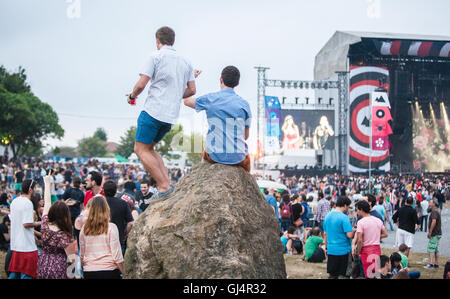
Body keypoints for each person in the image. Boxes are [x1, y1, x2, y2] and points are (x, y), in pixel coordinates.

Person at [128, 26, 198, 200]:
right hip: (170, 116)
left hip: (153, 111)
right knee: (149, 148)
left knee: (140, 149)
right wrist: (174, 95)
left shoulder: (155, 56)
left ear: (158, 41)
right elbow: (192, 90)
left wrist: (131, 96)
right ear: (173, 40)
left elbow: (141, 84)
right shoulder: (186, 61)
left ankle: (164, 186)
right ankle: (167, 183)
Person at [183, 65, 252, 173]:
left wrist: (190, 79)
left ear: (221, 79)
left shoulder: (210, 99)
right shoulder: (245, 105)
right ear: (237, 83)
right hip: (238, 158)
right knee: (247, 162)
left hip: (214, 156)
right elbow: (245, 136)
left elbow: (186, 100)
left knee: (205, 152)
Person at [38, 171, 75, 279]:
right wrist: (75, 274)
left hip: (43, 263)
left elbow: (47, 202)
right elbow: (72, 259)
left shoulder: (44, 223)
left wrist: (47, 183)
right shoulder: (63, 235)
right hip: (59, 268)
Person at [79, 195, 124, 279]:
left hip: (89, 271)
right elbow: (117, 256)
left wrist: (83, 269)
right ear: (106, 209)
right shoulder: (111, 227)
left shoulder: (84, 229)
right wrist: (125, 272)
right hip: (109, 270)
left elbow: (82, 254)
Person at [8, 179, 40, 279]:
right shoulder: (28, 203)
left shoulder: (15, 201)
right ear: (30, 190)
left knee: (15, 273)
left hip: (16, 244)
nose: (36, 190)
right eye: (35, 188)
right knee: (27, 274)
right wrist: (39, 222)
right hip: (27, 246)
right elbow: (26, 224)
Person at [355, 200, 388, 279]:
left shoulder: (361, 222)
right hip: (376, 248)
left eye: (357, 210)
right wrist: (376, 236)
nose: (357, 212)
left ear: (361, 209)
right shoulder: (378, 220)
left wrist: (358, 252)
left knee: (366, 273)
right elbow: (385, 234)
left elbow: (359, 240)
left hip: (366, 250)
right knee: (376, 273)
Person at [323, 196, 354, 279]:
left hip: (331, 250)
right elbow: (349, 235)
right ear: (345, 205)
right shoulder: (344, 217)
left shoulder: (327, 216)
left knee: (332, 274)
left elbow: (325, 234)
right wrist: (355, 231)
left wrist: (326, 248)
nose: (348, 209)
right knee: (344, 274)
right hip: (343, 250)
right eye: (348, 207)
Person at [103, 180, 134, 255]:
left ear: (103, 190)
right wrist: (124, 234)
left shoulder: (98, 202)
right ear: (116, 191)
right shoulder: (123, 203)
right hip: (118, 239)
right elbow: (130, 223)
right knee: (119, 263)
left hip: (101, 240)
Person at [424, 198, 442, 269]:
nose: (429, 203)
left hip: (434, 233)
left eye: (430, 202)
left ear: (434, 204)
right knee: (436, 249)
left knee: (431, 248)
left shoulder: (434, 212)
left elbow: (433, 221)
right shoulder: (436, 211)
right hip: (438, 233)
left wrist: (430, 232)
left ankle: (431, 263)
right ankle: (436, 263)